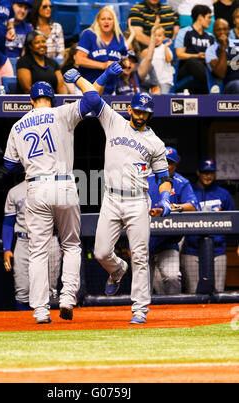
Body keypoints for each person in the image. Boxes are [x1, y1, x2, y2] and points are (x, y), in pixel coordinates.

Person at [3, 68, 108, 324]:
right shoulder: (62, 112)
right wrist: (84, 80)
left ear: (31, 100)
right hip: (64, 184)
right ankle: (67, 298)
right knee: (71, 245)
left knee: (38, 251)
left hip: (36, 187)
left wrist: (30, 164)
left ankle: (40, 311)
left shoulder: (18, 125)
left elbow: (8, 165)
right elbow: (94, 101)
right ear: (53, 98)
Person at [91, 84, 173, 324]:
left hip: (138, 200)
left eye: (144, 113)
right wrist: (88, 79)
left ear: (149, 114)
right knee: (101, 252)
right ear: (130, 109)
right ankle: (117, 269)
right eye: (137, 111)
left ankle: (139, 309)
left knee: (140, 256)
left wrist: (166, 199)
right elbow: (93, 97)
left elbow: (163, 177)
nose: (140, 116)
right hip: (112, 197)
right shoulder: (113, 121)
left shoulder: (155, 142)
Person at [2, 179, 61, 311]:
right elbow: (8, 222)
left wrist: (64, 243)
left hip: (48, 240)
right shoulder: (15, 191)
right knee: (22, 291)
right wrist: (6, 248)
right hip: (23, 241)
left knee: (50, 291)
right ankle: (24, 328)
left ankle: (48, 327)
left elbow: (63, 220)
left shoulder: (53, 188)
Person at [148, 147, 199, 295]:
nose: (166, 165)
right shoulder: (145, 179)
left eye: (170, 163)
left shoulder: (181, 182)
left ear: (176, 165)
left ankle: (176, 310)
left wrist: (174, 207)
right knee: (144, 284)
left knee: (172, 277)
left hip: (167, 241)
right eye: (164, 162)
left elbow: (193, 206)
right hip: (145, 240)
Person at [182, 158, 235, 294]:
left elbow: (233, 221)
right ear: (198, 172)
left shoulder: (224, 194)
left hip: (218, 250)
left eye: (211, 172)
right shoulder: (189, 192)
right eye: (205, 172)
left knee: (218, 292)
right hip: (192, 250)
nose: (208, 176)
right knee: (193, 292)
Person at [75, 6, 128, 95]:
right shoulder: (89, 35)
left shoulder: (119, 38)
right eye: (103, 19)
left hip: (109, 90)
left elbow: (125, 61)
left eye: (109, 19)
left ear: (114, 21)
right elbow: (79, 59)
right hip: (86, 88)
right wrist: (103, 65)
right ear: (98, 21)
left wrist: (123, 65)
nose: (106, 21)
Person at [174, 4, 215, 94]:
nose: (210, 20)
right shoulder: (185, 32)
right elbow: (179, 54)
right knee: (193, 61)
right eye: (208, 17)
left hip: (204, 67)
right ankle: (210, 91)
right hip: (186, 68)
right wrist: (197, 56)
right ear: (200, 17)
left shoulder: (210, 37)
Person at [205, 18, 239, 93]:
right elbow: (221, 73)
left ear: (229, 30)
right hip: (230, 84)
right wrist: (223, 47)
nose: (222, 32)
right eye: (218, 30)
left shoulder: (237, 43)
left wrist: (230, 64)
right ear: (214, 32)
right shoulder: (211, 50)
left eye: (225, 29)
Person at [144, 25, 174, 94]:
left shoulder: (165, 48)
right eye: (155, 36)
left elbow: (169, 59)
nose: (157, 38)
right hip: (152, 82)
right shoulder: (149, 50)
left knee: (163, 98)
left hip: (165, 81)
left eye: (159, 36)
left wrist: (166, 47)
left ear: (163, 37)